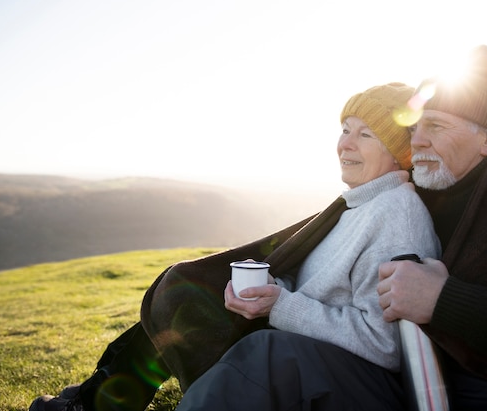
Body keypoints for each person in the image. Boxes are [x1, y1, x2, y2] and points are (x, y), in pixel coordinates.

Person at [172, 45, 487, 410]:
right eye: (414, 128)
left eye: (435, 126)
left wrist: (445, 301)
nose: (416, 141)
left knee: (272, 359)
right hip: (433, 382)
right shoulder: (434, 188)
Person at [30, 82, 441, 411]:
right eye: (345, 129)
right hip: (308, 347)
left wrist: (279, 305)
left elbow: (385, 346)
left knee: (223, 330)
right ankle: (99, 398)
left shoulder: (395, 215)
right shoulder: (360, 204)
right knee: (191, 299)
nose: (346, 144)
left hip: (345, 376)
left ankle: (96, 403)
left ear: (398, 151)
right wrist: (271, 288)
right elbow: (326, 287)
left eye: (365, 134)